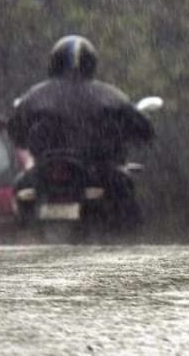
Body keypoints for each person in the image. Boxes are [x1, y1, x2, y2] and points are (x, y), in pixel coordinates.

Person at [8, 34, 154, 230]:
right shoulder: (110, 95)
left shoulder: (34, 96)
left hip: (47, 171)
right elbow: (143, 129)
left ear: (54, 62)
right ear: (91, 63)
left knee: (21, 187)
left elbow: (15, 131)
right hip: (97, 169)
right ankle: (126, 240)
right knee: (125, 190)